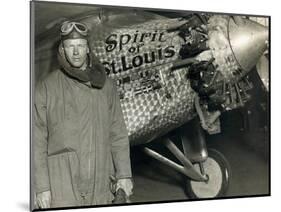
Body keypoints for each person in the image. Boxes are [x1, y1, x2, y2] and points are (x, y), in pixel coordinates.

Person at [33, 21, 133, 208]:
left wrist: (124, 175)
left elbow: (117, 133)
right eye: (71, 46)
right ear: (63, 50)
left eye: (80, 45)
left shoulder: (107, 86)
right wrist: (42, 188)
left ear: (88, 48)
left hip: (101, 181)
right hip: (61, 185)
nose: (76, 52)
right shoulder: (46, 88)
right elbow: (36, 141)